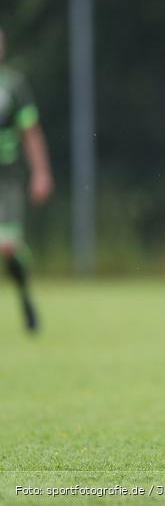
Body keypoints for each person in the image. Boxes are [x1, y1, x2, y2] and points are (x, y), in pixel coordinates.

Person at [0, 28, 53, 332]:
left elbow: (30, 132)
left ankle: (24, 295)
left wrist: (41, 172)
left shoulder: (14, 85)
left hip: (7, 178)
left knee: (6, 246)